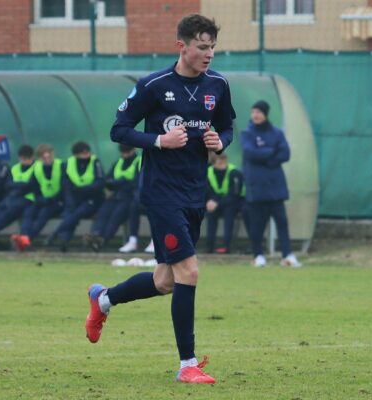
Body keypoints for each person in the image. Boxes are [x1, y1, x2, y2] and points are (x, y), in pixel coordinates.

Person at [85, 14, 235, 384]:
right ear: (181, 47)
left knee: (166, 280)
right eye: (202, 46)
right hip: (160, 193)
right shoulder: (153, 85)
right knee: (190, 272)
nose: (209, 54)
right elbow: (119, 130)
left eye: (213, 46)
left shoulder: (218, 84)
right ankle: (188, 365)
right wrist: (158, 141)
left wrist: (221, 142)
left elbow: (228, 125)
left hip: (194, 191)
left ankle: (103, 299)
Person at [241, 100, 302, 268]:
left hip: (276, 187)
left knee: (282, 222)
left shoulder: (277, 133)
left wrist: (266, 155)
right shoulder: (246, 133)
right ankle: (258, 255)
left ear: (265, 114)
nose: (255, 115)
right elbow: (250, 152)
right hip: (256, 187)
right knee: (257, 225)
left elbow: (285, 153)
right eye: (253, 112)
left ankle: (287, 256)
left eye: (259, 112)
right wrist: (271, 151)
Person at [47, 141, 104, 252]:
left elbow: (100, 182)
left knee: (77, 213)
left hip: (92, 199)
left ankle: (55, 234)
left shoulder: (95, 162)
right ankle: (64, 241)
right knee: (71, 212)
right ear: (76, 155)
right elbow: (65, 184)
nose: (87, 155)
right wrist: (72, 199)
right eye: (83, 153)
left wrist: (85, 189)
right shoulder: (68, 163)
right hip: (75, 199)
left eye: (88, 152)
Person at [84, 144, 140, 252]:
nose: (125, 154)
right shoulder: (118, 163)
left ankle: (102, 240)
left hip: (129, 197)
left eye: (127, 151)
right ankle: (95, 235)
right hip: (115, 196)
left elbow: (136, 182)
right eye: (123, 152)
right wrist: (122, 182)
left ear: (134, 149)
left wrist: (117, 183)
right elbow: (107, 180)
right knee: (103, 212)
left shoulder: (139, 161)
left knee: (116, 216)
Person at [11, 144, 65, 252]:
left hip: (59, 201)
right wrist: (40, 199)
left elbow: (65, 187)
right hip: (44, 200)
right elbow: (34, 187)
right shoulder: (37, 168)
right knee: (29, 211)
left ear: (53, 154)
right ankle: (23, 236)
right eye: (44, 158)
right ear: (39, 158)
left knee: (44, 214)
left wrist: (53, 199)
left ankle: (27, 239)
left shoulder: (61, 166)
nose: (47, 159)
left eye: (49, 156)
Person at [205, 153, 243, 254]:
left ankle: (226, 246)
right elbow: (206, 191)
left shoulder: (234, 173)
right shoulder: (207, 172)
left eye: (223, 160)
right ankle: (209, 247)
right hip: (213, 203)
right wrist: (210, 202)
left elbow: (234, 195)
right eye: (219, 161)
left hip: (230, 203)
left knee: (229, 213)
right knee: (211, 213)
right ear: (213, 163)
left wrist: (217, 203)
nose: (222, 163)